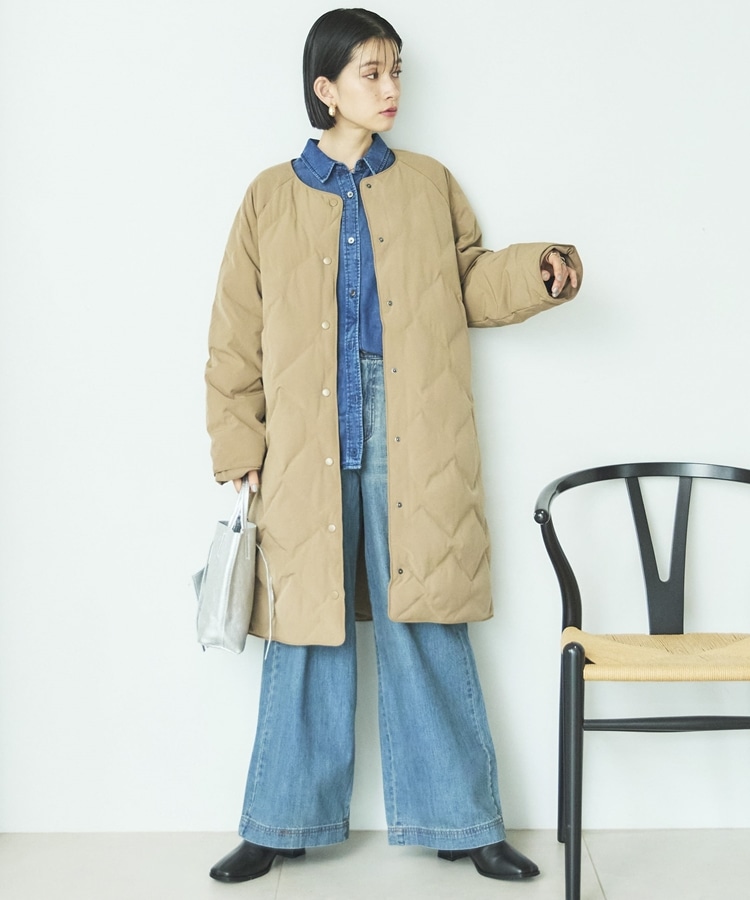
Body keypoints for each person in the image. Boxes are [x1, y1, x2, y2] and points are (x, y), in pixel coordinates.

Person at [204, 6, 582, 885]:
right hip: (303, 429)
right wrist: (237, 440)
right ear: (326, 88)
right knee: (306, 626)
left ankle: (464, 822)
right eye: (370, 73)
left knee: (425, 613)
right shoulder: (268, 197)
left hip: (409, 420)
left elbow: (468, 278)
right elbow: (233, 332)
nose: (390, 88)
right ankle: (279, 822)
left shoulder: (427, 183)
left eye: (396, 70)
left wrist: (537, 270)